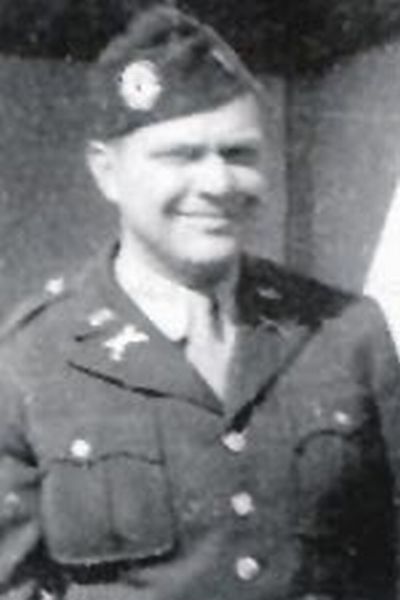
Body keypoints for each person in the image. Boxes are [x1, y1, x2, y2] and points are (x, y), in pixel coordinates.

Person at [0, 5, 399, 600]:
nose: (217, 184)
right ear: (107, 172)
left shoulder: (346, 333)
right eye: (181, 156)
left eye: (239, 154)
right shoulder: (30, 359)